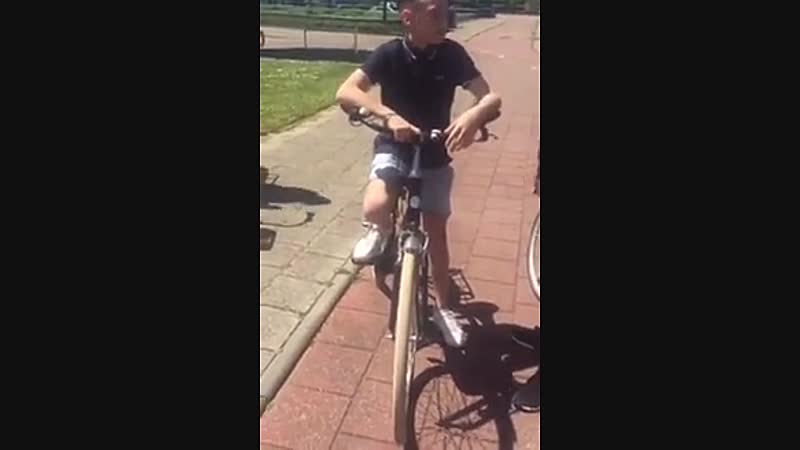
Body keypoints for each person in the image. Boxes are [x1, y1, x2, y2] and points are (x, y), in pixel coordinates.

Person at [335, 0, 501, 348]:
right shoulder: (389, 54)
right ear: (408, 18)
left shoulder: (452, 54)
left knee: (436, 232)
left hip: (434, 150)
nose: (445, 20)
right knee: (375, 206)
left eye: (447, 12)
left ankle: (444, 308)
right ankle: (381, 232)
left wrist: (473, 116)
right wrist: (388, 116)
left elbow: (490, 97)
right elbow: (347, 91)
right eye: (435, 13)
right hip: (394, 145)